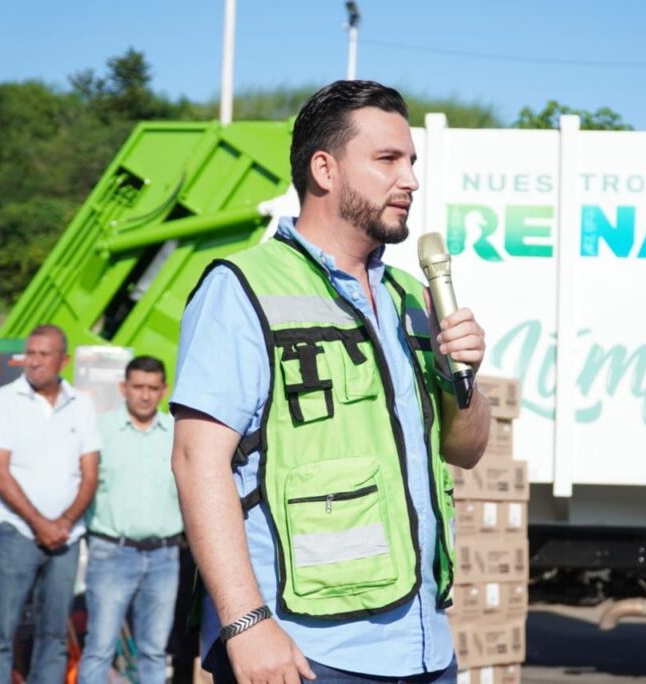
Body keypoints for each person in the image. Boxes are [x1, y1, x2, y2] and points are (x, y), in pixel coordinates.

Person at [171, 80, 491, 684]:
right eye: (388, 160)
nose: (411, 181)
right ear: (325, 168)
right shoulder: (241, 287)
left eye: (413, 162)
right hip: (304, 654)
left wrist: (463, 377)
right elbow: (195, 461)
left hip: (424, 649)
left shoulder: (410, 300)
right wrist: (245, 623)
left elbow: (466, 450)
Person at [0, 324, 100, 684]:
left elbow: (90, 474)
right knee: (0, 636)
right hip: (14, 533)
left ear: (63, 360)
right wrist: (40, 523)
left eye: (42, 354)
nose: (33, 362)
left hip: (66, 537)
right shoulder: (5, 398)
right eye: (29, 353)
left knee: (54, 636)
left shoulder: (81, 404)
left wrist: (63, 522)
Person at [79, 355, 181, 683]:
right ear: (124, 388)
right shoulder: (100, 430)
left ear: (164, 390)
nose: (145, 395)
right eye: (138, 387)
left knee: (154, 651)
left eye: (153, 388)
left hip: (165, 556)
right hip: (112, 552)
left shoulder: (176, 434)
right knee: (100, 647)